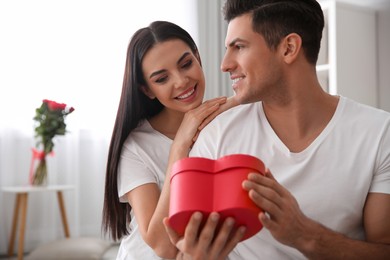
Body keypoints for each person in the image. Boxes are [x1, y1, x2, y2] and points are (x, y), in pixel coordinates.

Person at [163, 0, 390, 259]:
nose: (224, 64)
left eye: (238, 47)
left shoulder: (379, 134)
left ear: (289, 48)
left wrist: (304, 234)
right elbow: (183, 250)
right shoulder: (217, 135)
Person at [101, 21, 238, 260]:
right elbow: (163, 247)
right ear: (147, 90)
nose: (181, 81)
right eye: (162, 79)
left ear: (197, 57)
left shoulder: (223, 123)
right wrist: (179, 147)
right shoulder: (135, 147)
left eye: (186, 64)